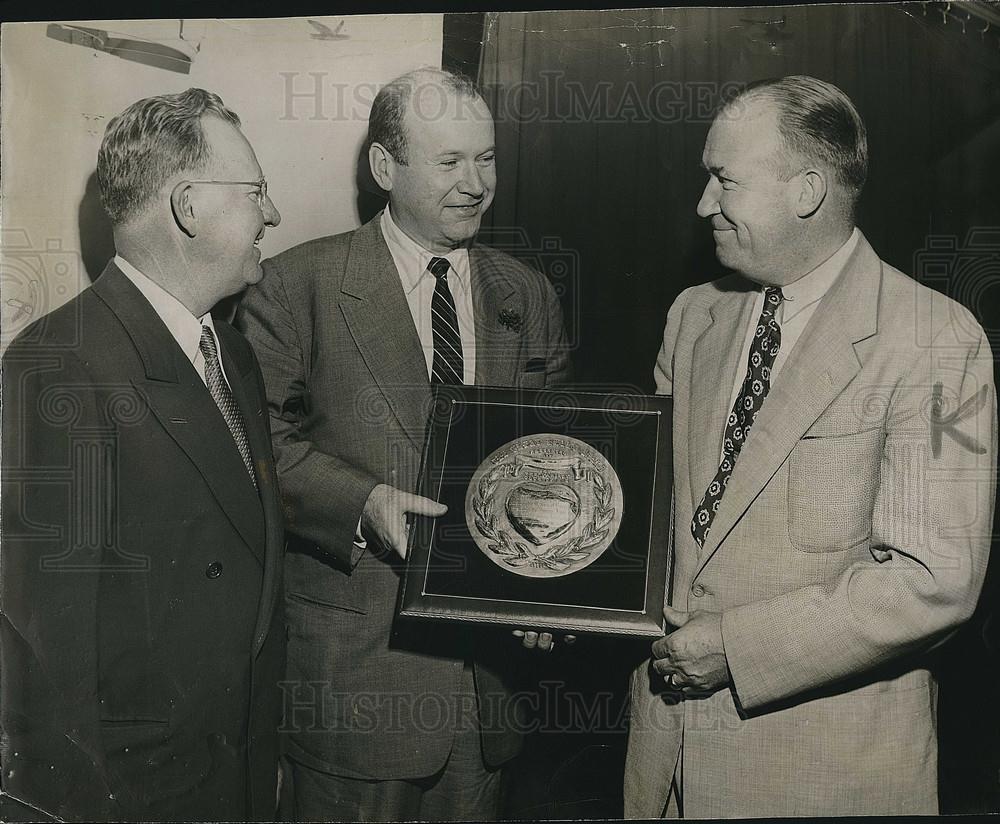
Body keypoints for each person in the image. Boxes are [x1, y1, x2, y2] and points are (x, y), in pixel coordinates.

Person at [625, 75, 997, 818]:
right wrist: (559, 589)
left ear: (806, 191)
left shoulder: (935, 340)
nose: (703, 204)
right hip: (664, 760)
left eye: (725, 180)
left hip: (817, 775)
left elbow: (933, 580)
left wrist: (736, 649)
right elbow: (653, 512)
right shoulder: (694, 316)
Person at [236, 68, 571, 821]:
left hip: (486, 694)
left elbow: (552, 458)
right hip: (354, 689)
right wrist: (362, 504)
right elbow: (256, 449)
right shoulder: (294, 285)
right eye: (450, 162)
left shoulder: (527, 294)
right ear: (385, 167)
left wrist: (548, 585)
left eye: (486, 159)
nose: (475, 184)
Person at [1, 88, 285, 821]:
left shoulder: (233, 354)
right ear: (189, 207)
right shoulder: (57, 366)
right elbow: (49, 652)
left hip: (238, 779)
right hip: (141, 797)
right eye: (255, 192)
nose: (273, 214)